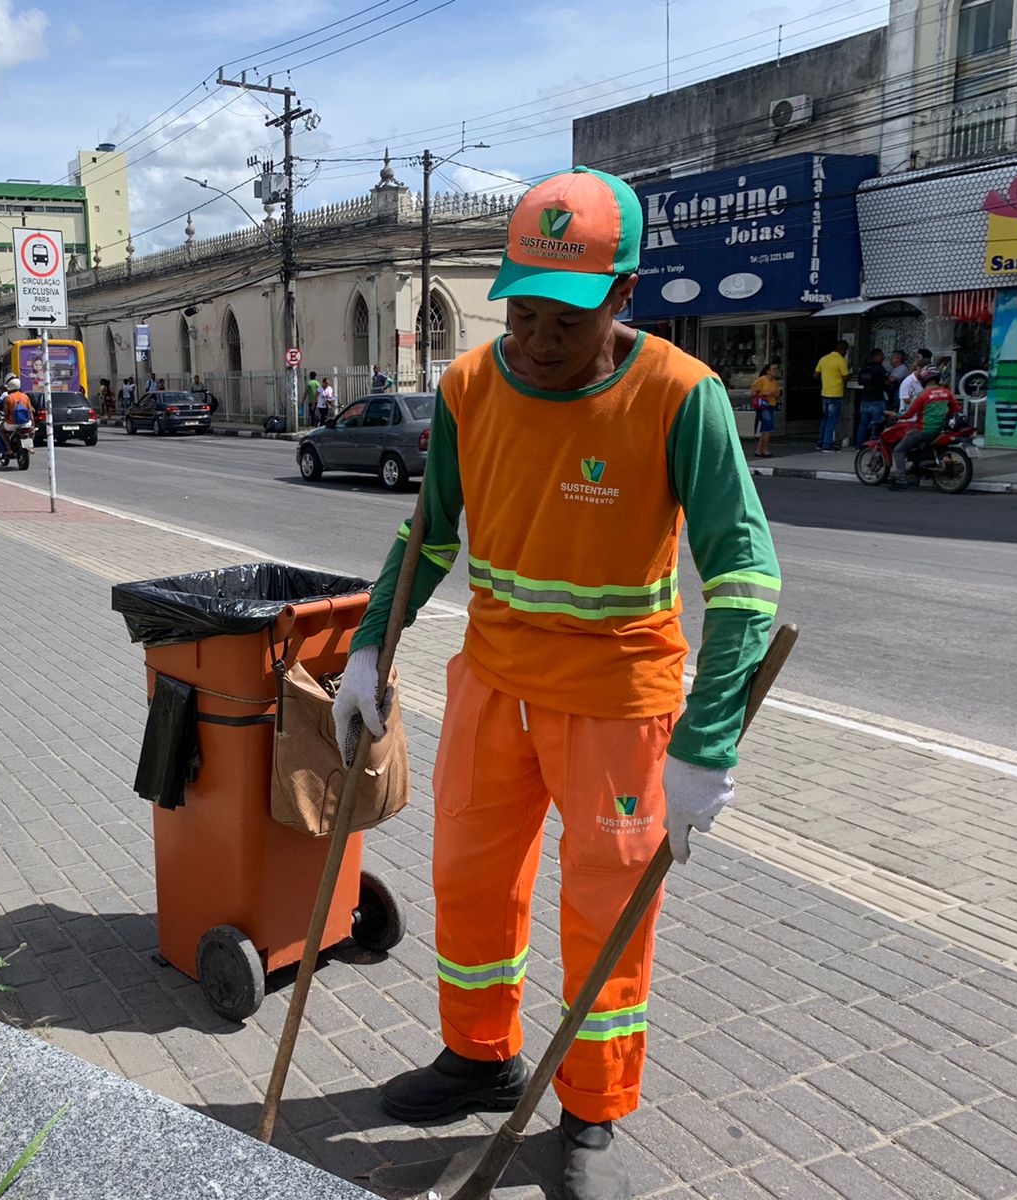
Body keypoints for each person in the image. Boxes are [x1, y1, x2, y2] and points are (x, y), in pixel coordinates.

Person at [331, 167, 779, 1200]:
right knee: (471, 883)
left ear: (622, 296)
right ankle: (481, 1057)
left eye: (564, 320)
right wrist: (369, 649)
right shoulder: (467, 389)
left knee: (603, 912)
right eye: (522, 311)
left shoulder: (679, 397)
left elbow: (747, 581)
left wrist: (708, 742)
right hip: (493, 686)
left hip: (618, 706)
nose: (535, 339)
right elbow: (428, 533)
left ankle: (589, 1109)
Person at [890, 367, 960, 491]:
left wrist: (895, 415)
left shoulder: (922, 395)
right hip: (940, 430)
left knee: (899, 450)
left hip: (924, 430)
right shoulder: (947, 392)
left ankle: (901, 480)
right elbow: (955, 409)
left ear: (925, 378)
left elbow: (909, 414)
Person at [813, 339, 850, 451]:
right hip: (836, 394)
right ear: (843, 350)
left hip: (825, 393)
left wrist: (826, 378)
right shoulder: (841, 361)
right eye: (845, 351)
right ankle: (827, 445)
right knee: (832, 420)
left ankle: (820, 442)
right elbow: (846, 377)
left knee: (825, 419)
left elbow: (815, 375)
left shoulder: (824, 359)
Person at [854, 348, 890, 448]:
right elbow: (886, 382)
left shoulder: (864, 368)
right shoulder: (880, 368)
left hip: (865, 400)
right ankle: (874, 446)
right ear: (876, 356)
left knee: (863, 424)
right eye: (882, 356)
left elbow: (859, 381)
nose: (883, 358)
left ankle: (859, 446)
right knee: (877, 425)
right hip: (877, 400)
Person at [0, 375, 31, 464]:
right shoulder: (25, 396)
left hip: (12, 424)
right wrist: (32, 423)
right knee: (30, 431)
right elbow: (31, 411)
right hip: (26, 423)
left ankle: (9, 448)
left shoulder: (8, 398)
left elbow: (6, 413)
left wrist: (3, 421)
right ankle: (29, 446)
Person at [750, 361, 780, 458]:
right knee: (767, 428)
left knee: (766, 429)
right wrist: (762, 394)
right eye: (774, 369)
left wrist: (771, 394)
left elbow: (777, 394)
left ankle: (759, 450)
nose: (776, 371)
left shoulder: (775, 382)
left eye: (777, 369)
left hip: (771, 404)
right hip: (763, 405)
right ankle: (764, 449)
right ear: (768, 371)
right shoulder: (762, 380)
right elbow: (753, 393)